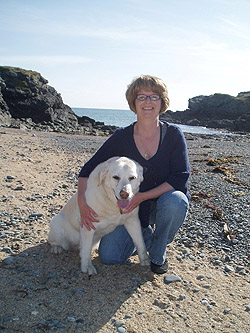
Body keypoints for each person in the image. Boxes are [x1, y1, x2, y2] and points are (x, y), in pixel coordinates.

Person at [78, 75, 190, 274]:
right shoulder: (121, 136)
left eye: (154, 97)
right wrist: (82, 204)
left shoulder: (173, 134)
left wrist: (142, 197)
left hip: (162, 203)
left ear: (162, 102)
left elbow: (180, 178)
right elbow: (87, 170)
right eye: (141, 97)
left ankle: (158, 253)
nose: (148, 102)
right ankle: (146, 235)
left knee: (176, 201)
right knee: (110, 257)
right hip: (128, 209)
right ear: (133, 102)